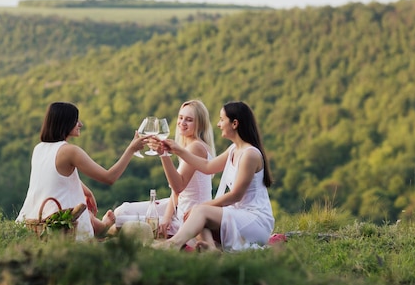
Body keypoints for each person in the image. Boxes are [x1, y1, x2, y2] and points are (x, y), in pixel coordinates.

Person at [154, 101, 274, 251]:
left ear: (234, 123)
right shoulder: (233, 149)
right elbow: (207, 167)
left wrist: (201, 206)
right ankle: (211, 249)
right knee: (199, 216)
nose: (218, 124)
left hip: (255, 220)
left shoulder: (250, 154)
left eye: (222, 119)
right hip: (239, 214)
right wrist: (177, 150)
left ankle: (173, 244)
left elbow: (235, 195)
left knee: (200, 211)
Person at [16, 101, 146, 240]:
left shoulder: (39, 148)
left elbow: (55, 177)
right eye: (76, 120)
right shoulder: (70, 151)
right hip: (60, 226)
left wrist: (87, 192)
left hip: (33, 220)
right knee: (78, 211)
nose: (80, 124)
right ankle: (101, 228)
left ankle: (100, 226)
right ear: (65, 123)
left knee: (81, 207)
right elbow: (109, 178)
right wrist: (131, 149)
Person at [113, 99, 215, 238]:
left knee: (121, 220)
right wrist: (166, 217)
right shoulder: (189, 145)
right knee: (122, 211)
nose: (182, 123)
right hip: (177, 206)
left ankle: (102, 228)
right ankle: (104, 226)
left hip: (188, 216)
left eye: (189, 120)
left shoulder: (196, 147)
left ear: (200, 124)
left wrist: (164, 155)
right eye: (180, 118)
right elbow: (176, 193)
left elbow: (178, 186)